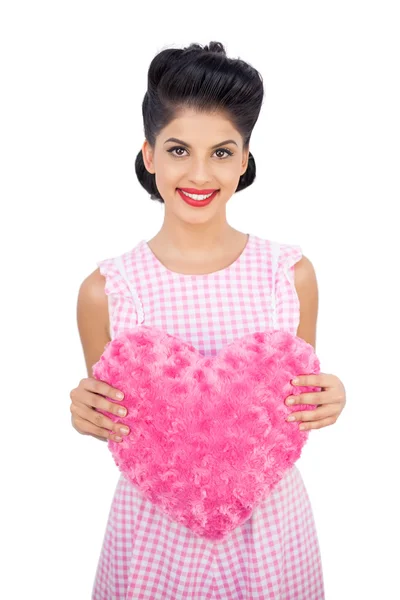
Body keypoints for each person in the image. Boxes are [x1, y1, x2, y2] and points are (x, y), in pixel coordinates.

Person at [71, 41, 346, 599]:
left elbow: (296, 403)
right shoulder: (106, 290)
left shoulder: (290, 274)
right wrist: (85, 414)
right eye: (178, 150)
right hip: (152, 539)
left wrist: (330, 398)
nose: (199, 174)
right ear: (148, 155)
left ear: (245, 160)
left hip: (271, 532)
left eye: (222, 152)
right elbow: (115, 422)